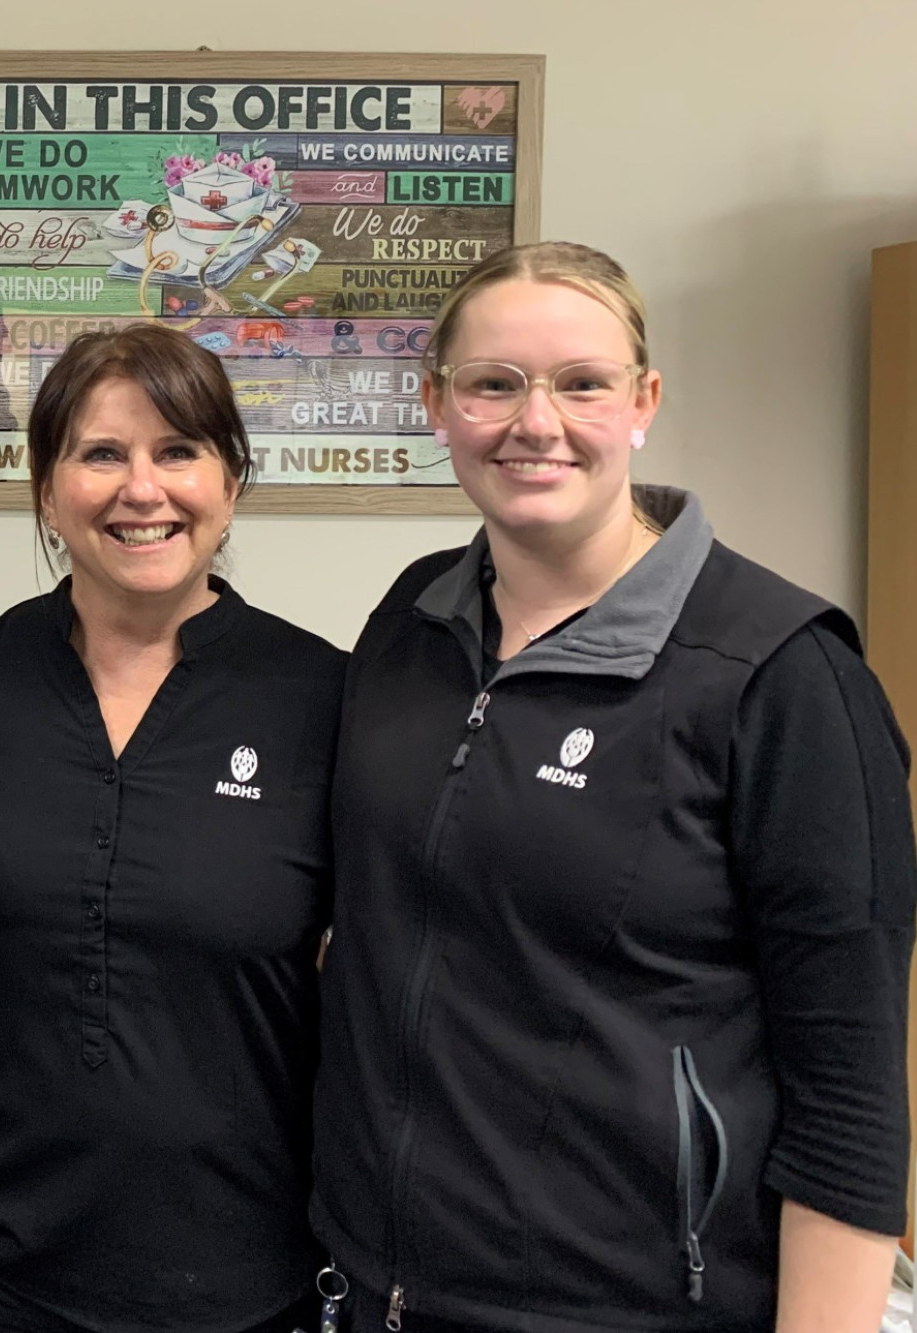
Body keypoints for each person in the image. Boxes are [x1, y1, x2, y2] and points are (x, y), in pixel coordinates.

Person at [313, 241, 914, 1331]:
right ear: (435, 405)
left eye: (579, 383)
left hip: (637, 1304)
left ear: (640, 402)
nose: (533, 422)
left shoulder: (778, 674)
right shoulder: (411, 622)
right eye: (492, 383)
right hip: (376, 1288)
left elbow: (850, 1088)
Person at [0, 324, 345, 1333]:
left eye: (178, 451)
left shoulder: (322, 697)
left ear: (229, 481)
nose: (139, 488)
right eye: (100, 453)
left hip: (245, 1264)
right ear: (46, 488)